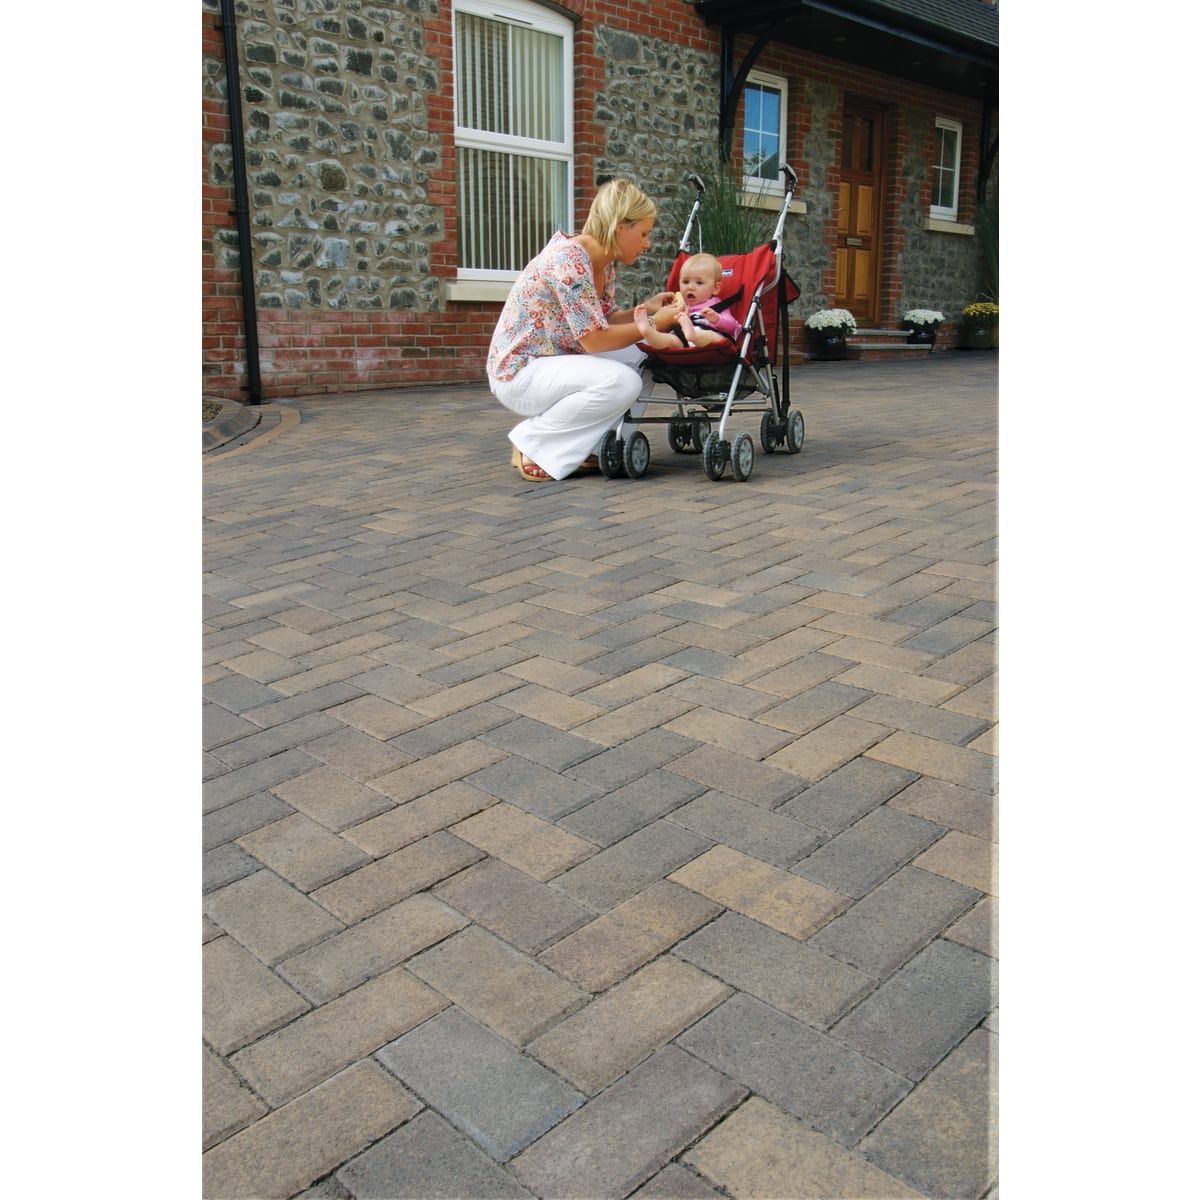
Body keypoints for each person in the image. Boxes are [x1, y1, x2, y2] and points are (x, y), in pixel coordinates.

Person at [487, 178, 677, 482]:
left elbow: (604, 319)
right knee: (622, 381)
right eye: (643, 234)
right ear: (619, 227)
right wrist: (655, 325)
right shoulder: (569, 260)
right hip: (521, 372)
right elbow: (595, 340)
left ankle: (595, 446)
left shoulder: (603, 262)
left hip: (552, 363)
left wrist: (647, 310)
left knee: (644, 357)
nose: (647, 244)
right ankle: (533, 444)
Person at [633, 252, 742, 351]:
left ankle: (694, 335)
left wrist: (717, 319)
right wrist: (670, 320)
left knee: (712, 337)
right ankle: (649, 333)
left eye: (699, 283)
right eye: (685, 282)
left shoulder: (716, 305)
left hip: (710, 343)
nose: (690, 287)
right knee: (670, 340)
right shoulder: (678, 306)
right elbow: (667, 326)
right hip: (683, 341)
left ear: (715, 288)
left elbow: (733, 327)